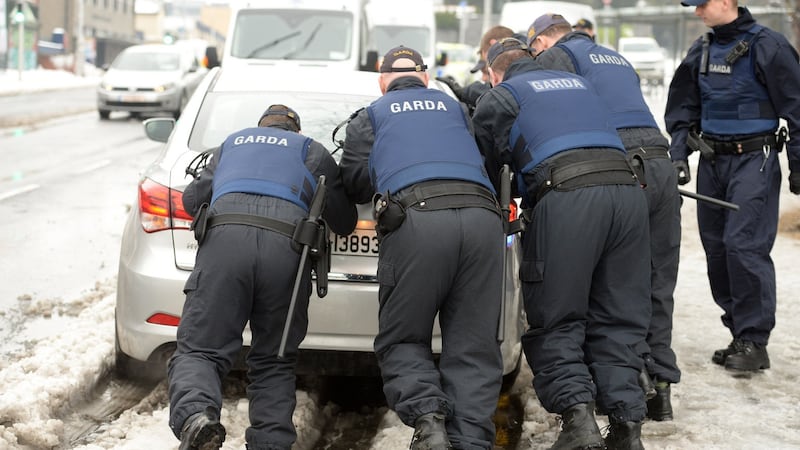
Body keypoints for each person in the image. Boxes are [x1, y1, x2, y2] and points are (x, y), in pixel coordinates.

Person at [474, 38, 652, 450]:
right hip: (627, 193)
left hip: (569, 198)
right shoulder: (580, 85)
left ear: (494, 73)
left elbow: (491, 174)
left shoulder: (500, 97)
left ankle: (578, 422)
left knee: (557, 317)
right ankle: (627, 427)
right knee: (619, 316)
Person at [339, 45, 505, 450]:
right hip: (483, 220)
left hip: (418, 222)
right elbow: (485, 157)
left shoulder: (371, 117)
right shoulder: (457, 111)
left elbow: (356, 183)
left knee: (405, 338)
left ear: (382, 82)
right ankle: (470, 443)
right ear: (425, 78)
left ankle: (429, 423)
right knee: (474, 346)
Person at [167, 105, 357, 450]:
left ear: (260, 127)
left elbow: (193, 200)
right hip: (287, 253)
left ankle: (197, 417)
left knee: (201, 349)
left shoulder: (232, 144)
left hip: (225, 247)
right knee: (274, 361)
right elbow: (345, 220)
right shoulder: (311, 150)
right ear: (295, 131)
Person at [529, 13, 682, 422]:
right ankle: (659, 390)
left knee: (610, 285)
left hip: (619, 168)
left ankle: (611, 386)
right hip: (660, 165)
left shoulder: (556, 58)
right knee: (655, 282)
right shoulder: (613, 57)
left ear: (543, 41)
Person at [665, 0, 800, 373]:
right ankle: (739, 331)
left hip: (753, 160)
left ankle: (755, 340)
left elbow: (797, 107)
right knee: (717, 250)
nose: (696, 12)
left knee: (745, 246)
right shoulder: (702, 49)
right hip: (712, 160)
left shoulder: (768, 46)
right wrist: (679, 155)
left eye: (701, 4)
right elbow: (682, 109)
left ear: (726, 1)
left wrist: (798, 165)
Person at [437, 25, 515, 112]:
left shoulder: (513, 91)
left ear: (494, 45)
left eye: (487, 72)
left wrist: (463, 92)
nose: (483, 79)